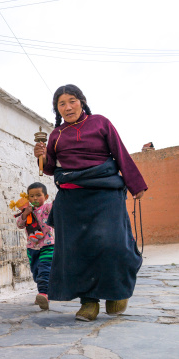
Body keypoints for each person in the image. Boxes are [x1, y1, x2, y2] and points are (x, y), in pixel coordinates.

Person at [34, 84, 146, 321]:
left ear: (82, 102)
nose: (68, 107)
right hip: (72, 199)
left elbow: (120, 152)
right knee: (79, 252)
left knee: (113, 244)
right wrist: (42, 157)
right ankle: (89, 303)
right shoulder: (57, 134)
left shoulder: (100, 123)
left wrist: (136, 184)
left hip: (105, 194)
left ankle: (117, 293)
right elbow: (51, 169)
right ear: (57, 109)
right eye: (62, 103)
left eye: (72, 101)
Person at [15, 182, 54, 310]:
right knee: (36, 271)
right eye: (31, 196)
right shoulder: (26, 211)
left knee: (44, 268)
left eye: (38, 195)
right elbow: (20, 224)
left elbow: (55, 208)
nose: (35, 198)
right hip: (32, 247)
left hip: (48, 245)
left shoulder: (47, 208)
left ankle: (43, 293)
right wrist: (25, 214)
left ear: (46, 196)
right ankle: (41, 294)